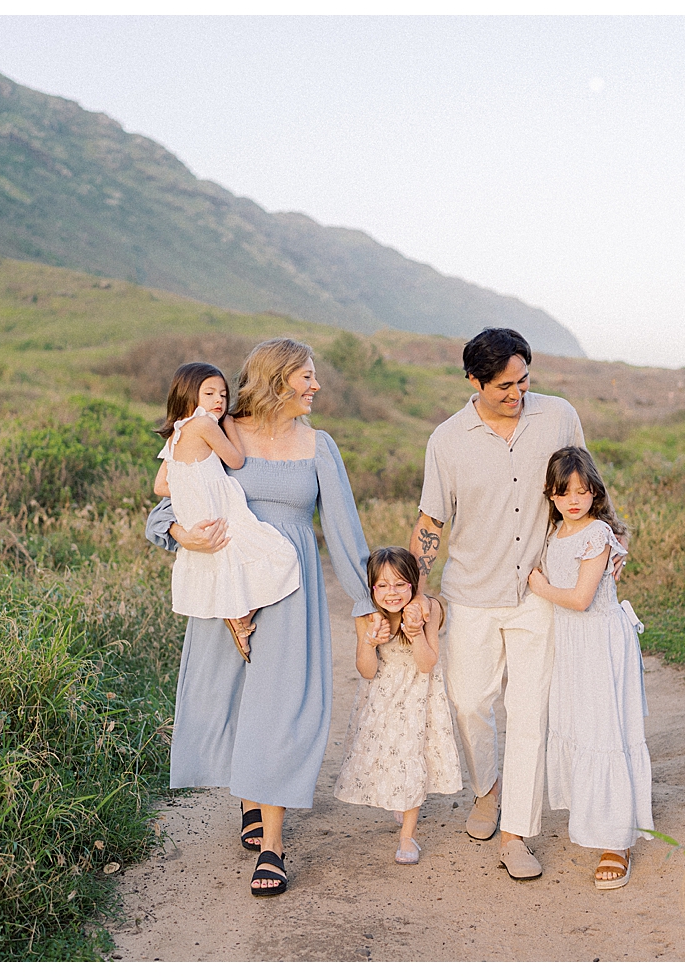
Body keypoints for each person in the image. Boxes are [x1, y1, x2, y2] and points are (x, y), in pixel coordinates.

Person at [144, 338, 375, 897]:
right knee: (231, 697)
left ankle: (273, 844)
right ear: (276, 379)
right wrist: (183, 539)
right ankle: (250, 793)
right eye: (306, 377)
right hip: (229, 580)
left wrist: (370, 602)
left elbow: (344, 531)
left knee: (282, 703)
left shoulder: (320, 447)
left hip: (291, 585)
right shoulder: (223, 433)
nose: (315, 387)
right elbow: (167, 504)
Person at [409, 327, 620, 882]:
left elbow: (583, 486)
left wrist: (605, 543)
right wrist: (415, 591)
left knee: (529, 715)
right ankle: (488, 788)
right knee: (467, 701)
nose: (518, 393)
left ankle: (516, 834)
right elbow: (431, 522)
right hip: (471, 593)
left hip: (538, 592)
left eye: (525, 380)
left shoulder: (558, 417)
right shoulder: (447, 440)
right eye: (505, 385)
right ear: (474, 381)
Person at [527, 447, 653, 890]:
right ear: (552, 495)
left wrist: (540, 587)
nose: (574, 500)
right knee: (584, 730)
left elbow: (581, 599)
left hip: (599, 641)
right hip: (573, 646)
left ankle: (617, 841)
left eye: (582, 491)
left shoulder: (596, 533)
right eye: (565, 493)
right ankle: (597, 817)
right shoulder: (554, 531)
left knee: (606, 734)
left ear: (595, 492)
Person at [151, 362, 300, 661]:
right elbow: (236, 461)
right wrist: (230, 426)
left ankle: (239, 619)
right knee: (285, 558)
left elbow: (160, 486)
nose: (219, 401)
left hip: (199, 518)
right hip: (221, 512)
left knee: (236, 568)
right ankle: (241, 618)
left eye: (222, 394)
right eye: (209, 394)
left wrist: (194, 487)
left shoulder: (176, 434)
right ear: (188, 396)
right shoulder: (205, 425)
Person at [334, 547, 461, 865]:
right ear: (372, 588)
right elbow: (366, 671)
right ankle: (400, 799)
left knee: (411, 760)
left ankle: (408, 835)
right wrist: (370, 642)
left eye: (400, 584)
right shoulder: (366, 616)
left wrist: (416, 632)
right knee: (389, 757)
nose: (391, 593)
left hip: (417, 697)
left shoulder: (427, 609)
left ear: (413, 583)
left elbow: (427, 663)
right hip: (381, 699)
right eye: (383, 585)